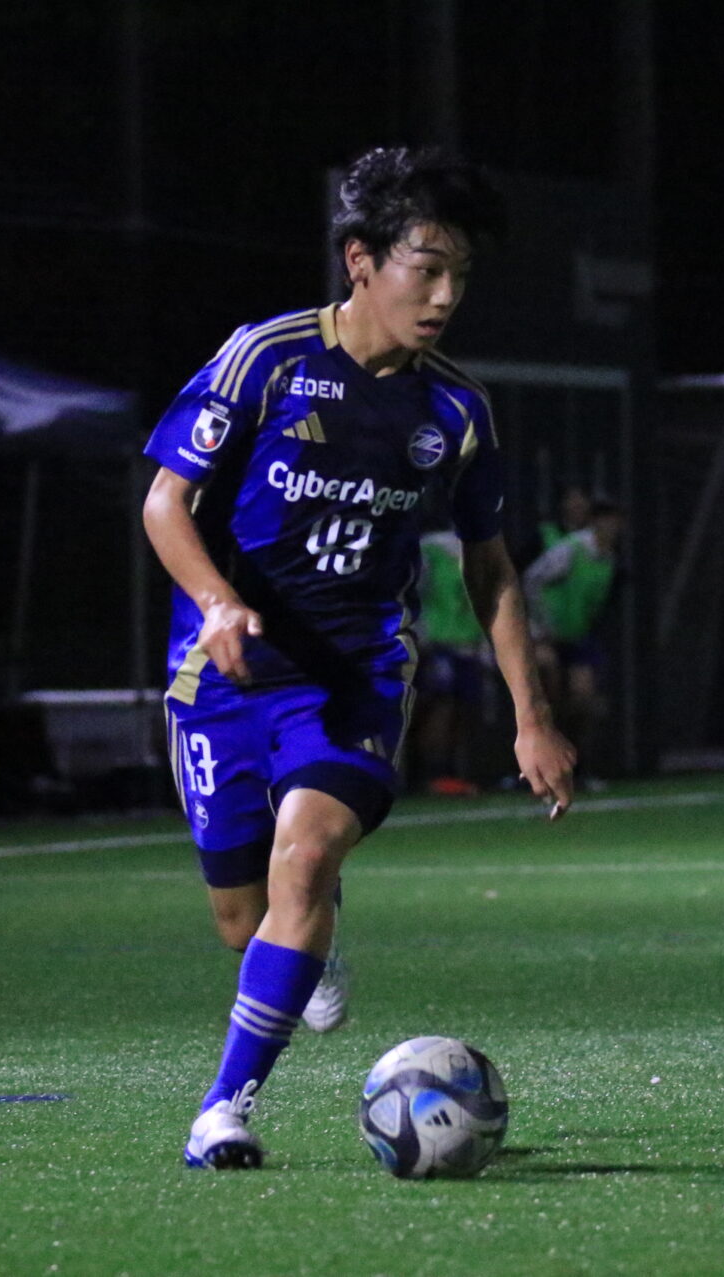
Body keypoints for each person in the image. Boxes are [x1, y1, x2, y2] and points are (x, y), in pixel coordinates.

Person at [141, 145, 576, 1170]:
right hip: (226, 673)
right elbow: (165, 501)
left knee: (304, 856)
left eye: (460, 275)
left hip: (357, 675)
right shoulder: (266, 359)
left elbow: (491, 570)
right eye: (426, 268)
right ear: (360, 261)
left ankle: (223, 1111)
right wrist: (217, 603)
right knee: (241, 918)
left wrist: (531, 716)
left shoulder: (455, 411)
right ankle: (314, 933)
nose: (444, 296)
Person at [524, 496, 624, 780]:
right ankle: (537, 767)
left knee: (583, 700)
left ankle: (576, 763)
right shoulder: (571, 549)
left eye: (615, 521)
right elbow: (532, 579)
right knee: (549, 693)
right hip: (547, 634)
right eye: (604, 520)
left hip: (577, 635)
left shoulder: (610, 558)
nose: (610, 527)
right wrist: (542, 625)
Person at [411, 527, 489, 794]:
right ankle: (430, 773)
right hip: (438, 643)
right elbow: (414, 591)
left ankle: (447, 772)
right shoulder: (431, 548)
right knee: (440, 706)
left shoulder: (484, 546)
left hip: (468, 644)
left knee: (460, 709)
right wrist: (420, 634)